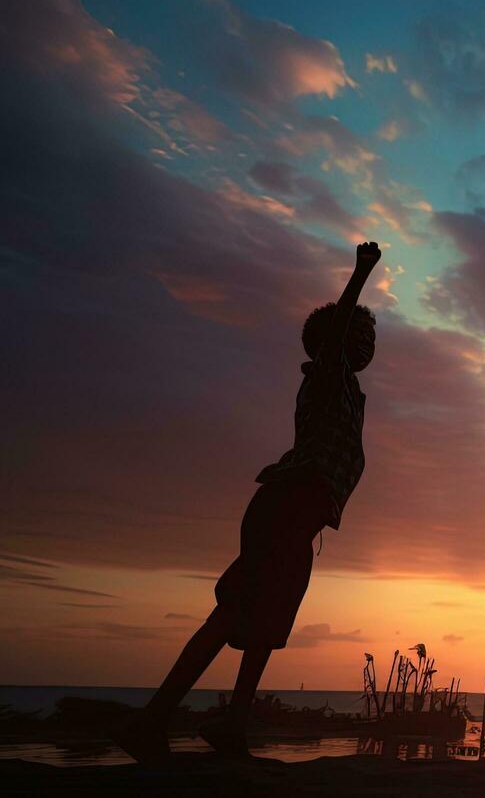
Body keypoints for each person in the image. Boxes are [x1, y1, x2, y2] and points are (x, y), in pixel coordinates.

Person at [115, 241, 383, 762]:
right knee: (232, 612)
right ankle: (152, 720)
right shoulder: (329, 376)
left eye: (371, 336)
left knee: (267, 626)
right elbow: (337, 331)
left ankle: (233, 726)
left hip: (302, 519)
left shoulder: (349, 391)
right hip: (284, 508)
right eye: (360, 333)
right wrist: (361, 273)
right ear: (336, 341)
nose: (369, 342)